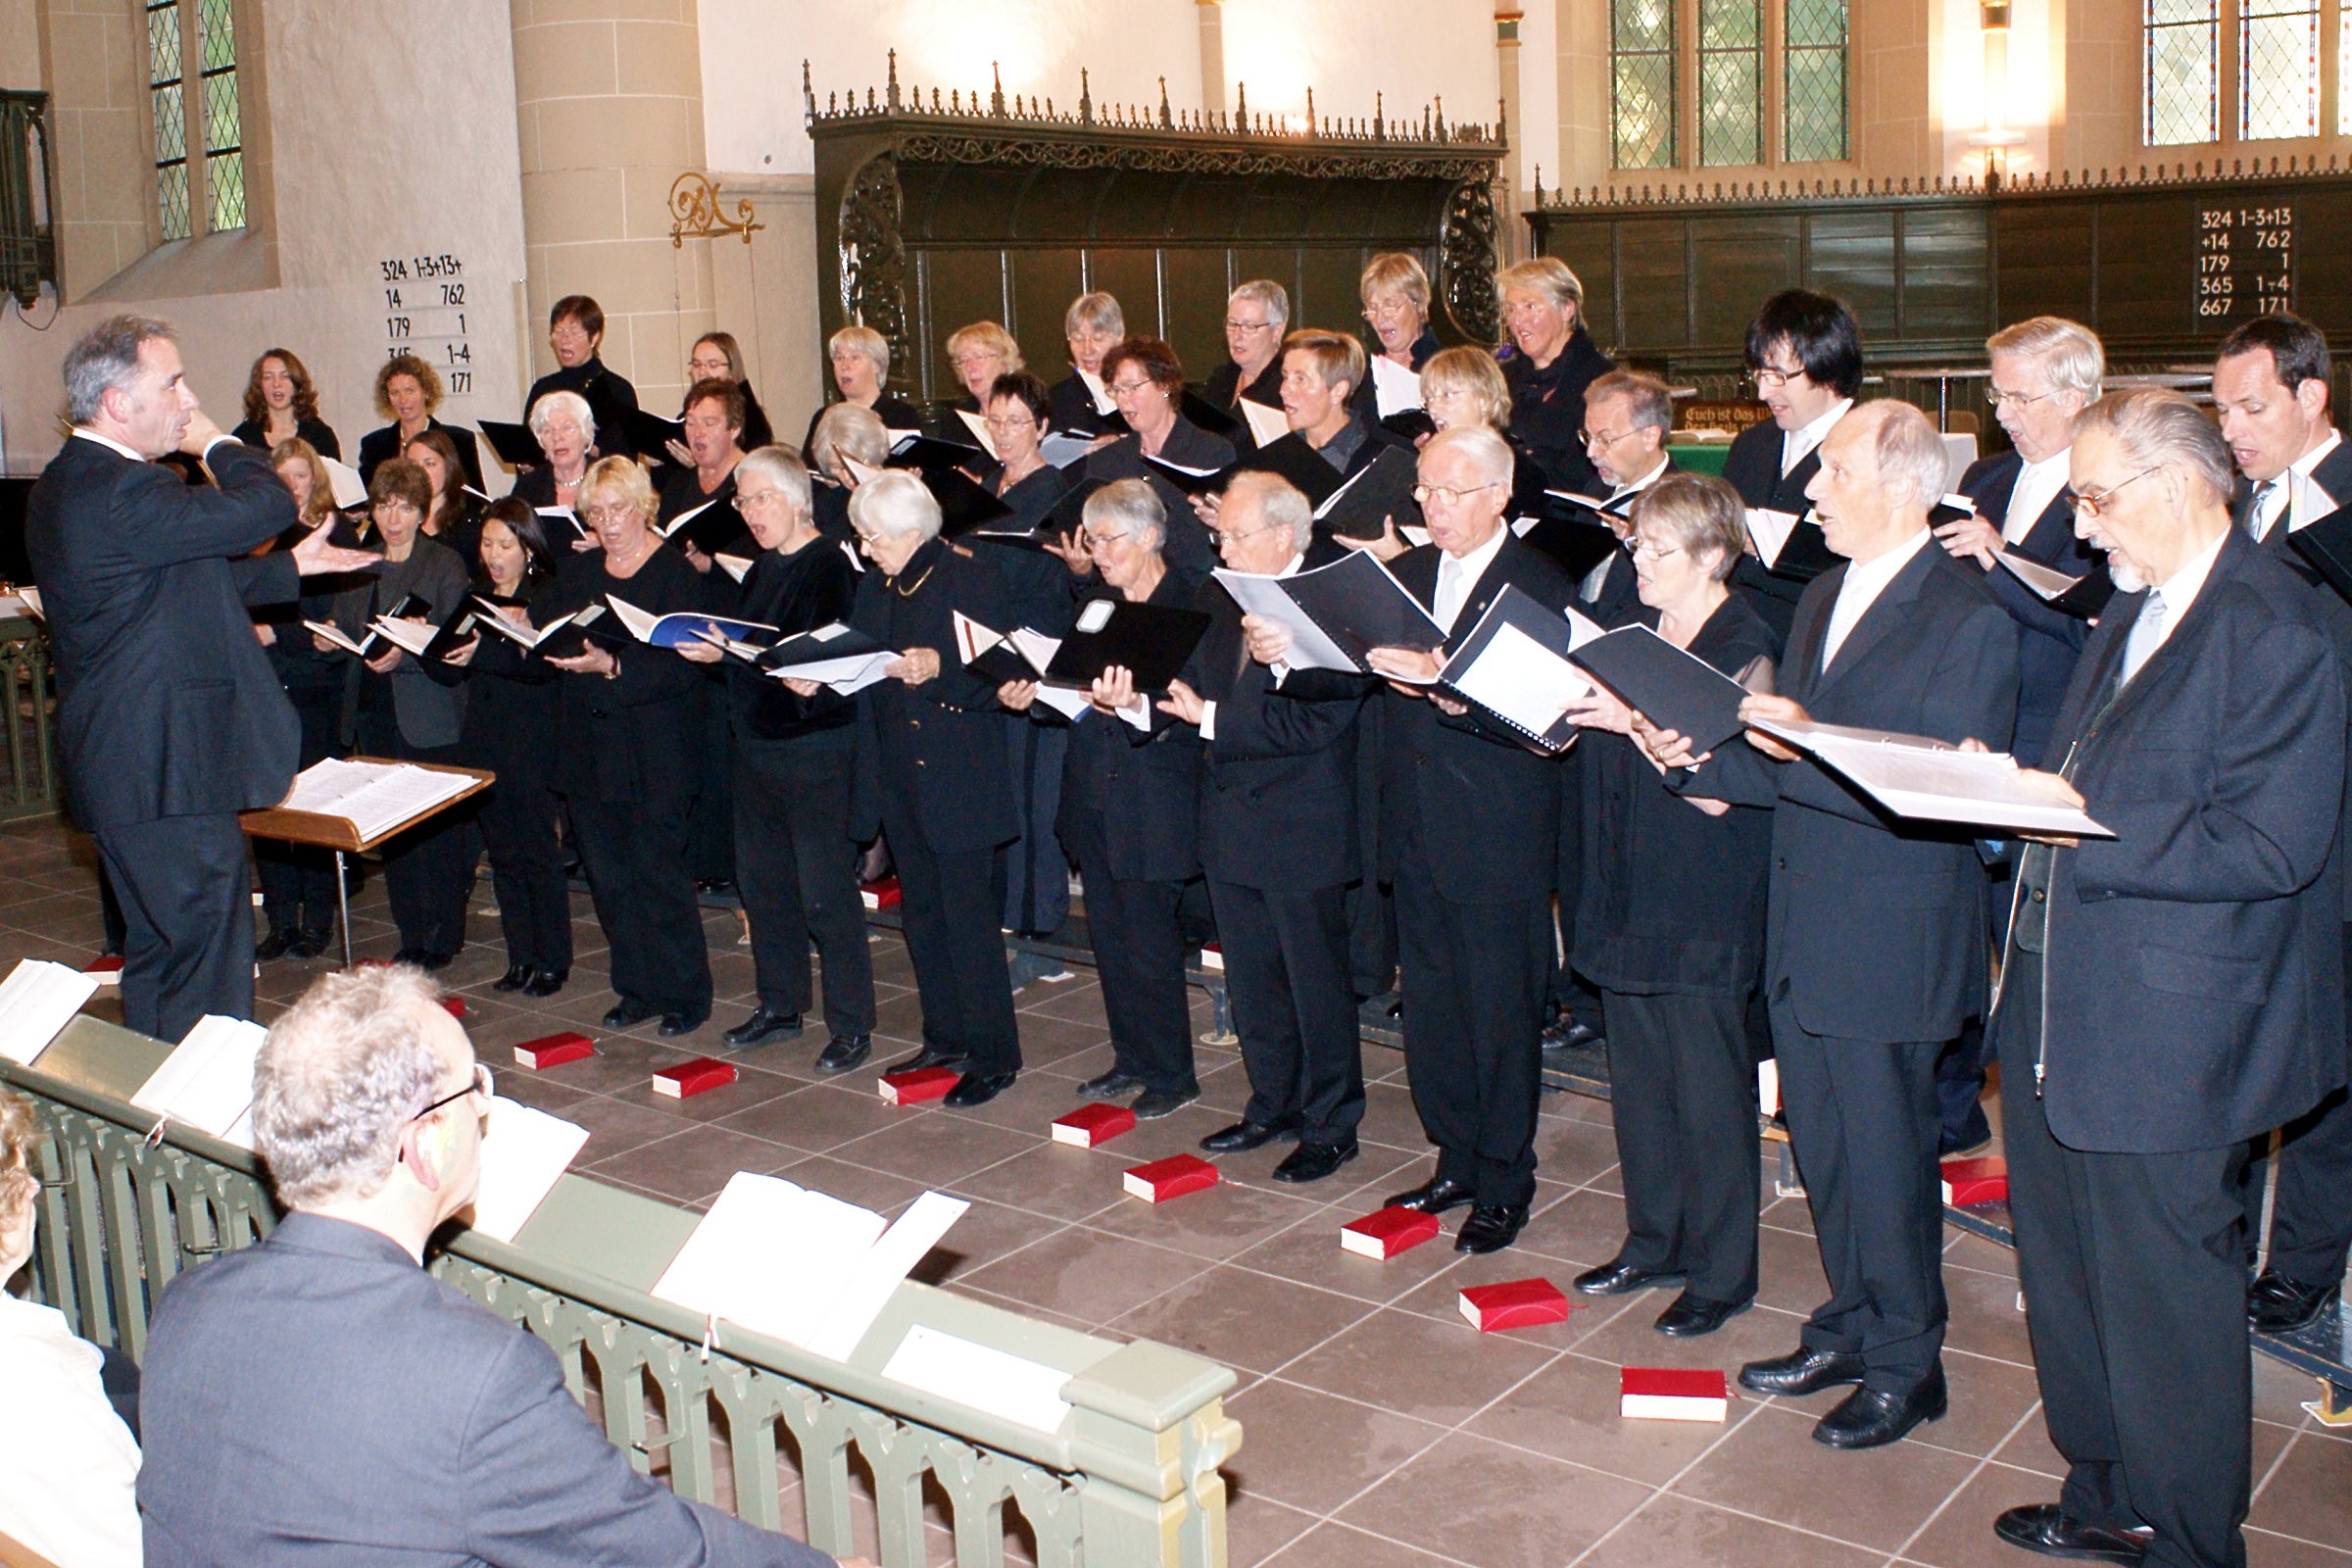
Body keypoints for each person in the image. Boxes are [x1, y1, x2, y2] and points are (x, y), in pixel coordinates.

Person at [136, 965, 850, 1568]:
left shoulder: (192, 1303)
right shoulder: (475, 1377)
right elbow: (657, 1553)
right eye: (470, 1088)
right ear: (425, 1144)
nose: (484, 1106)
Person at [1984, 389, 2347, 1568]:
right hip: (2058, 995)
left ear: (2179, 484)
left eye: (2096, 498)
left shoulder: (2276, 625)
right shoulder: (2134, 608)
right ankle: (2104, 1490)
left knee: (2168, 1301)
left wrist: (2080, 820)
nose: (2084, 529)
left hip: (2172, 1027)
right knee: (2074, 1272)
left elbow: (2273, 845)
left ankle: (2192, 1538)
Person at [1647, 400, 2020, 1449]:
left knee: (1889, 1153)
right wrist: (1706, 762)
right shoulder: (1818, 594)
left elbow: (1946, 790)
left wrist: (1808, 741)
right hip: (1805, 914)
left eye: (1834, 474)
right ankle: (1850, 1320)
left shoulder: (1969, 614)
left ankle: (1912, 1360)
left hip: (1891, 927)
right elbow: (1788, 761)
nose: (1810, 492)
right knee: (1829, 1146)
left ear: (1901, 484)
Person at [24, 315, 376, 1040]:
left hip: (127, 769)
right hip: (167, 774)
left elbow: (162, 583)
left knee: (161, 954)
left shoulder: (69, 482)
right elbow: (269, 502)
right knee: (209, 970)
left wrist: (288, 570)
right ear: (119, 403)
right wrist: (218, 440)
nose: (187, 399)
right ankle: (202, 1134)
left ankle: (158, 1124)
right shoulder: (127, 489)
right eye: (174, 382)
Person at [1564, 474, 1777, 1338]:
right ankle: (1655, 1239)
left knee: (1709, 1094)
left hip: (1703, 899)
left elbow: (1725, 793)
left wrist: (1630, 723)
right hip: (1625, 882)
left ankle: (1724, 1273)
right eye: (1635, 546)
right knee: (1642, 1084)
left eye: (1656, 550)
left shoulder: (1747, 644)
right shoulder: (1638, 636)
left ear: (1713, 556)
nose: (1638, 562)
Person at [1363, 427, 1575, 1254]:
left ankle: (1504, 1174)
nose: (1431, 506)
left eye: (1451, 492)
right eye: (1424, 491)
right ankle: (1453, 1154)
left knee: (1500, 1013)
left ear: (1498, 494)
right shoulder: (1408, 575)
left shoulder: (1540, 584)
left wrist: (1459, 697)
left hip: (1497, 829)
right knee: (1436, 1009)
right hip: (1414, 819)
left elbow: (1552, 720)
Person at [1929, 316, 2106, 1160]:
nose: (2002, 411)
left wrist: (1999, 564)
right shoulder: (1989, 478)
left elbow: (2093, 630)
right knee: (1960, 925)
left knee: (2030, 941)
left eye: (2019, 395)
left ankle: (2052, 1113)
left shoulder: (2107, 488)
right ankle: (1954, 1102)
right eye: (1995, 393)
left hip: (2049, 732)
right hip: (1970, 728)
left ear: (2077, 397)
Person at [2209, 311, 2352, 1342]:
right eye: (2220, 411)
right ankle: (2218, 1233)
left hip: (2340, 817)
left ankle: (2304, 1259)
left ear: (2312, 396)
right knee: (2242, 1026)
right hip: (2243, 812)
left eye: (2252, 408)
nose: (2234, 430)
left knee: (2331, 1053)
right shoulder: (2242, 506)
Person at [1165, 471, 1371, 1178]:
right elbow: (1189, 680)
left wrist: (1218, 714)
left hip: (1301, 822)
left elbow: (1321, 717)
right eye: (1221, 533)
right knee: (1252, 978)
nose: (1222, 544)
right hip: (1230, 816)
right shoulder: (1220, 595)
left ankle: (1331, 1122)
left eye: (1236, 534)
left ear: (1283, 535)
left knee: (1315, 984)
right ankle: (1273, 1100)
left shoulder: (1332, 601)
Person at [1000, 481, 1205, 1118]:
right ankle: (1132, 1058)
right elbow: (1071, 682)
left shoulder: (1193, 601)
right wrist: (1038, 695)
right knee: (1112, 942)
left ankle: (1173, 1074)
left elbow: (1188, 698)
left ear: (1148, 537)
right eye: (1090, 540)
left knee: (1149, 943)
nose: (1096, 554)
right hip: (1092, 791)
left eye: (1107, 540)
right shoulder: (1095, 602)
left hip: (1156, 796)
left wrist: (1134, 703)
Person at [674, 449, 875, 1069]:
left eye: (761, 499)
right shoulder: (761, 571)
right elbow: (755, 649)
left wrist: (807, 674)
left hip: (814, 748)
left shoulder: (831, 567)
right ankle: (782, 1003)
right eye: (743, 501)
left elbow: (851, 654)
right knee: (763, 887)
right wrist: (721, 653)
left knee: (824, 893)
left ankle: (850, 1023)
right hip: (757, 745)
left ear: (796, 498)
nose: (751, 513)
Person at [846, 471, 1024, 1107]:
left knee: (968, 920)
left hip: (958, 772)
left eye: (874, 538)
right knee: (922, 913)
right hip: (899, 771)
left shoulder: (970, 579)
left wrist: (939, 669)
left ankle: (993, 1053)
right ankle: (945, 1035)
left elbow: (1002, 679)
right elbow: (866, 663)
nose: (867, 550)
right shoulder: (877, 584)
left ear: (913, 532)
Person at [536, 457, 714, 1036]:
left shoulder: (674, 574)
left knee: (659, 876)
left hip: (655, 750)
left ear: (643, 508)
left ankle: (686, 994)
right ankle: (636, 988)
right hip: (589, 749)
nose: (609, 523)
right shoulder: (582, 572)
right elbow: (551, 626)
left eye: (618, 510)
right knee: (611, 882)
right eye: (597, 513)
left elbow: (685, 670)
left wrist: (614, 665)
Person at [323, 459, 474, 968]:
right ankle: (411, 930)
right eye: (385, 506)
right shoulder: (362, 562)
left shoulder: (442, 562)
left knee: (436, 829)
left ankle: (444, 932)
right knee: (394, 831)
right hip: (374, 707)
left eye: (404, 508)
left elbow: (453, 635)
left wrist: (405, 651)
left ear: (420, 512)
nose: (393, 518)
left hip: (427, 708)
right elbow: (345, 623)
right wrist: (332, 641)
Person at [1, 1086, 143, 1568]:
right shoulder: (41, 1388)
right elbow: (126, 1551)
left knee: (119, 1371)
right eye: (21, 1177)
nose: (34, 1189)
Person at [439, 499, 571, 997]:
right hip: (485, 738)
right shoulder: (476, 596)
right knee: (504, 853)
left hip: (532, 739)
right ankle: (520, 958)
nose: (494, 556)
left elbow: (541, 665)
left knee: (538, 850)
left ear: (528, 548)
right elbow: (445, 661)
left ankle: (553, 960)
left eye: (505, 545)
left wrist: (488, 652)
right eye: (487, 544)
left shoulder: (545, 596)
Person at [979, 372, 1080, 973]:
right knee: (1003, 792)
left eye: (1017, 422)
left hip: (1039, 647)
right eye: (995, 421)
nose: (1005, 433)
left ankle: (1038, 931)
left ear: (1042, 426)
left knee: (1034, 797)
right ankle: (1007, 918)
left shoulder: (1057, 491)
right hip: (992, 647)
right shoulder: (987, 485)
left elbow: (1054, 580)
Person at [253, 438, 361, 962]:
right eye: (282, 477)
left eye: (299, 476)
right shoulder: (258, 535)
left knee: (315, 808)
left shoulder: (336, 531)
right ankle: (279, 919)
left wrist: (279, 633)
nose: (291, 485)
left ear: (315, 479)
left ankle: (318, 919)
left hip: (317, 686)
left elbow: (336, 618)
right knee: (268, 809)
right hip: (266, 688)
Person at [1720, 289, 1866, 640]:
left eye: (1778, 377)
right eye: (1759, 375)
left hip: (1814, 636)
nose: (1763, 393)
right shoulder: (1751, 445)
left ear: (1826, 368)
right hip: (1735, 627)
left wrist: (1780, 549)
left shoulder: (1869, 448)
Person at [1084, 336, 1228, 574]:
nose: (1122, 400)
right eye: (1116, 390)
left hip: (1191, 593)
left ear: (1165, 385)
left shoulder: (1211, 452)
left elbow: (1217, 544)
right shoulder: (1105, 461)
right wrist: (1082, 567)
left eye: (1132, 388)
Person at [1496, 256, 1613, 495]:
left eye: (1530, 307)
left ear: (1567, 309)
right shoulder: (1502, 378)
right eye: (1511, 309)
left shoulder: (1602, 380)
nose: (1518, 320)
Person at [524, 294, 641, 460]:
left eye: (573, 333)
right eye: (558, 331)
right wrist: (525, 463)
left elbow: (626, 459)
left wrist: (594, 451)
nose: (564, 340)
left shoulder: (617, 390)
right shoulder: (543, 389)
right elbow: (529, 444)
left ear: (594, 338)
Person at [356, 353, 482, 491]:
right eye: (395, 393)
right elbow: (365, 497)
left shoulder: (459, 441)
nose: (403, 400)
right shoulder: (374, 444)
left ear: (426, 392)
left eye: (409, 391)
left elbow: (476, 503)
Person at [801, 324, 922, 457]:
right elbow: (809, 470)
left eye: (854, 358)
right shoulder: (824, 417)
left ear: (877, 365)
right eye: (839, 358)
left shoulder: (901, 415)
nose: (844, 366)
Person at [1348, 252, 1441, 420]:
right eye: (1372, 308)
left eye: (1390, 306)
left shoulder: (1446, 366)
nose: (1380, 318)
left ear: (1418, 304)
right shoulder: (1363, 372)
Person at [1200, 280, 1290, 428]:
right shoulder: (1221, 379)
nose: (1237, 335)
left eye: (1249, 327)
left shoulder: (1285, 388)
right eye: (1232, 324)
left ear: (1277, 332)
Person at [673, 331, 774, 455]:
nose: (702, 372)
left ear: (732, 370)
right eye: (696, 364)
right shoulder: (686, 415)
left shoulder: (751, 418)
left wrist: (698, 467)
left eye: (713, 365)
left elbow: (752, 466)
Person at [232, 347, 339, 458]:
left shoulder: (320, 436)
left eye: (285, 376)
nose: (276, 384)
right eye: (268, 377)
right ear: (260, 386)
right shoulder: (243, 437)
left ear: (297, 383)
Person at [404, 425, 483, 569]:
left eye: (429, 464)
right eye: (413, 465)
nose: (421, 472)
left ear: (449, 466)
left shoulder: (470, 525)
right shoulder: (397, 519)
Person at [1049, 291, 1125, 435]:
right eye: (1077, 339)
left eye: (1098, 338)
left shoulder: (1140, 390)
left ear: (1119, 338)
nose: (1087, 350)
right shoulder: (1056, 401)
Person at [512, 390, 596, 517]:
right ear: (541, 441)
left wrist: (600, 537)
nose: (557, 437)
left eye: (567, 428)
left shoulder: (607, 478)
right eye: (548, 431)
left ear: (586, 434)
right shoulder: (529, 486)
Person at [944, 320, 1023, 411]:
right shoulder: (955, 417)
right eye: (964, 360)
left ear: (1004, 361)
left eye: (979, 357)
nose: (970, 367)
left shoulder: (1028, 411)